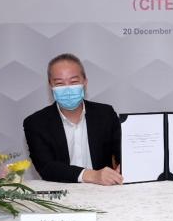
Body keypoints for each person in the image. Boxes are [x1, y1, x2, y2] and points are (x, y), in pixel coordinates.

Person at [23, 53, 122, 184]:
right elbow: (46, 167)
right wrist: (91, 175)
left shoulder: (105, 114)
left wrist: (125, 166)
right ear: (50, 85)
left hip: (103, 190)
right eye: (59, 83)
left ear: (85, 82)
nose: (67, 89)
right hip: (61, 191)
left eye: (74, 82)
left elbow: (122, 151)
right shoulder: (35, 123)